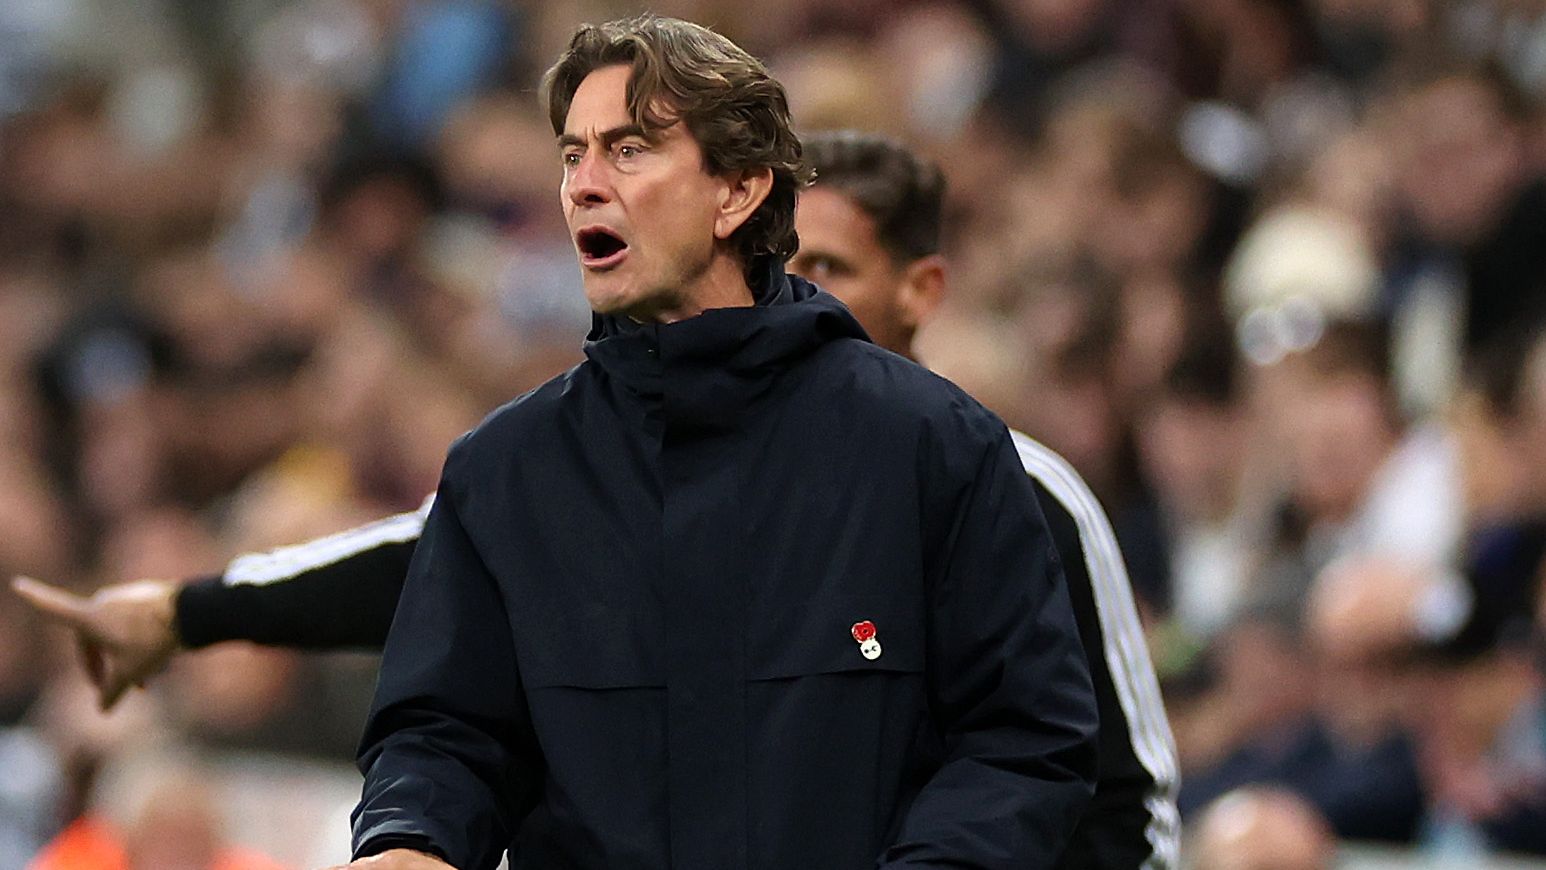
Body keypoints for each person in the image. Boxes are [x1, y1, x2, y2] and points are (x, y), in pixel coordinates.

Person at [12, 45, 1172, 870]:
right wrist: (408, 836)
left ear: (738, 191)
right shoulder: (512, 469)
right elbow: (442, 713)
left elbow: (1046, 756)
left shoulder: (955, 457)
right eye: (572, 153)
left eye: (629, 148)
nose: (583, 183)